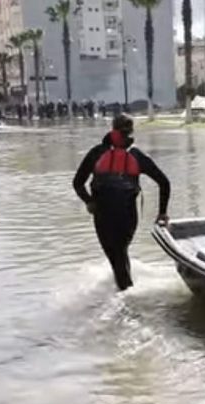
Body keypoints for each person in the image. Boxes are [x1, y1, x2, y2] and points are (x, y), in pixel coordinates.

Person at [73, 114, 171, 291]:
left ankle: (125, 295)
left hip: (102, 214)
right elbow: (164, 183)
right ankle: (125, 291)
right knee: (120, 253)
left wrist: (89, 201)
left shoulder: (97, 153)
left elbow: (77, 183)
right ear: (131, 131)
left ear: (112, 129)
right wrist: (162, 213)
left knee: (115, 255)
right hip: (127, 216)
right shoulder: (137, 156)